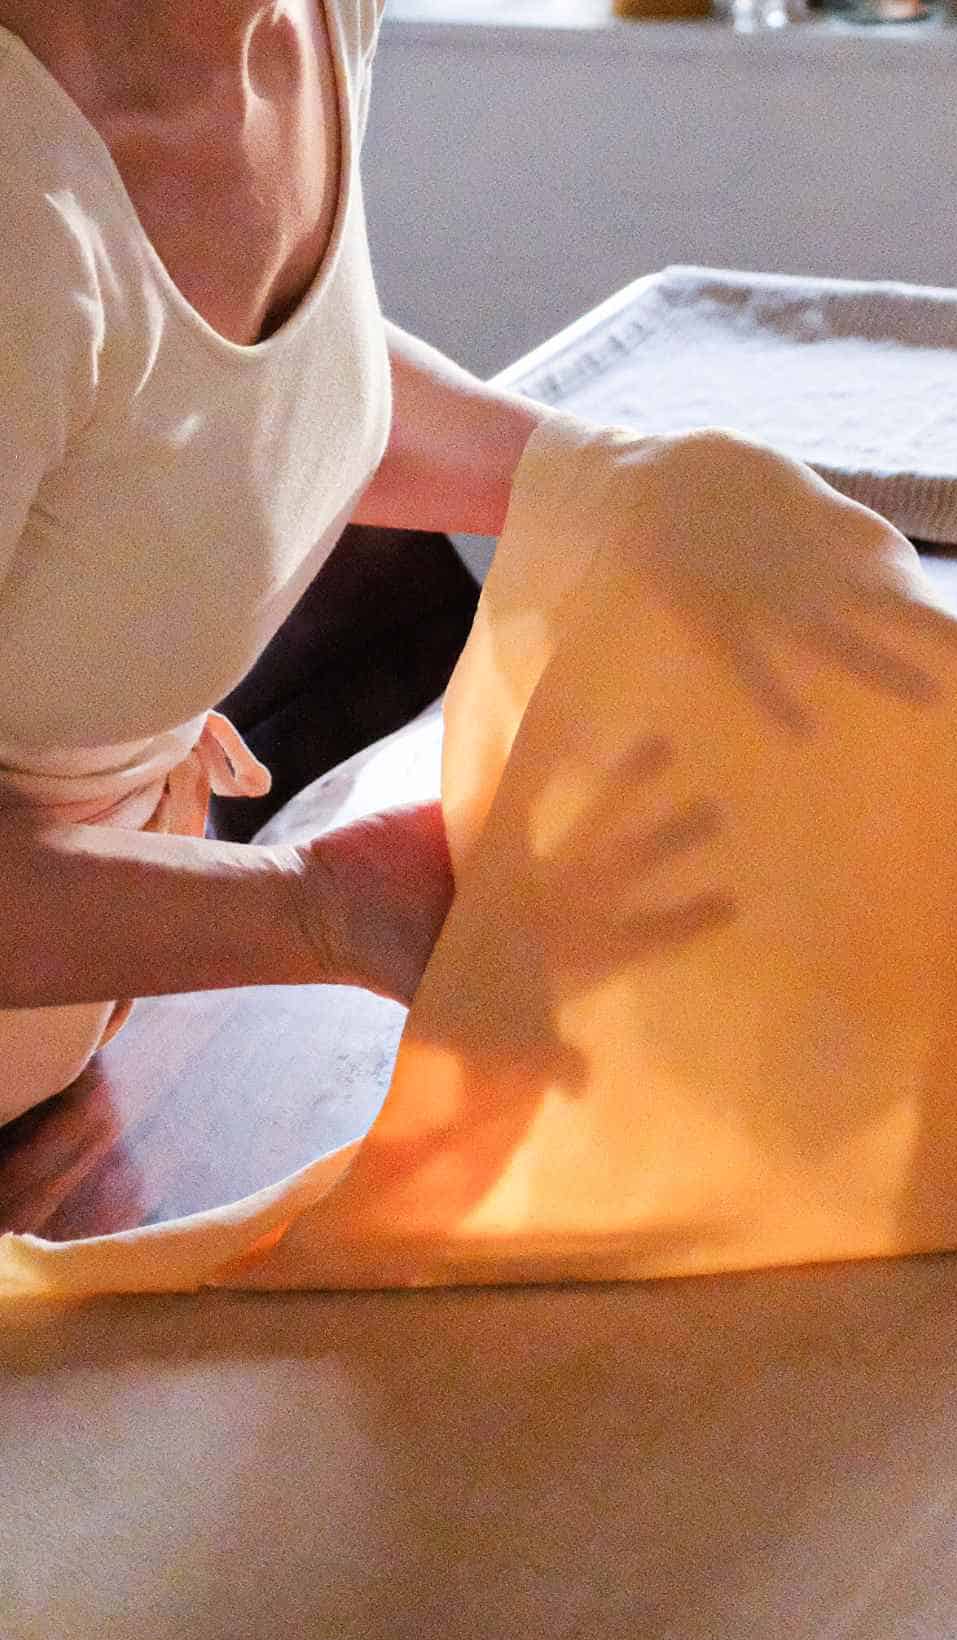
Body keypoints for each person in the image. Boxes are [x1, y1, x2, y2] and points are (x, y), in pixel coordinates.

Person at [0, 0, 553, 1125]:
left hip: (69, 1057)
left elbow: (231, 414)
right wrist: (320, 909)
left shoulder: (312, 20)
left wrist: (610, 480)